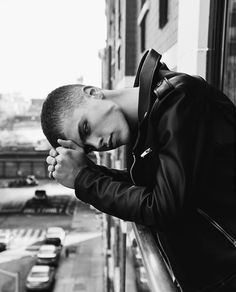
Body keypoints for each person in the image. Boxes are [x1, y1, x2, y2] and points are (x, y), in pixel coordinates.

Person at [41, 49, 236, 291]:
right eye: (88, 146)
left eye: (85, 128)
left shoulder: (179, 100)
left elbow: (163, 205)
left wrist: (84, 179)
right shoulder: (151, 122)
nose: (97, 143)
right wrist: (88, 170)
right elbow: (147, 186)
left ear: (93, 93)